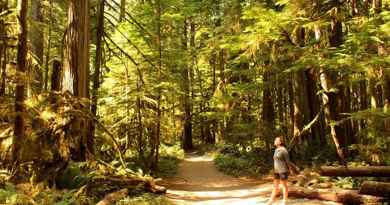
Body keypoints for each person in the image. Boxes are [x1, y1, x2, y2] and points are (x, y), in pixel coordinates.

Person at [267, 136, 295, 205]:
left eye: (276, 140)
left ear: (280, 142)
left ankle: (284, 201)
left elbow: (288, 161)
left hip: (283, 170)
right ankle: (271, 201)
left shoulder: (284, 150)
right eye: (275, 140)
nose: (275, 141)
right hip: (276, 171)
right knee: (275, 186)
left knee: (284, 186)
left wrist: (290, 169)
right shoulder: (276, 150)